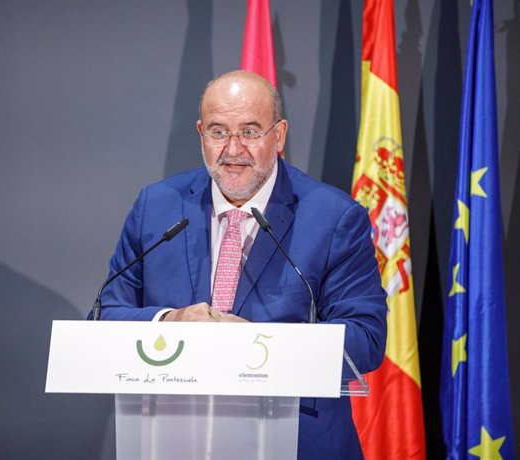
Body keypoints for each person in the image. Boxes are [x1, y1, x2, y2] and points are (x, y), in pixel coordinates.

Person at [96, 70, 387, 458]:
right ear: (201, 133)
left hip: (295, 442)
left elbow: (365, 339)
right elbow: (103, 318)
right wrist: (171, 321)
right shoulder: (156, 207)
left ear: (279, 135)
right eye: (218, 132)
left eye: (250, 132)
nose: (233, 149)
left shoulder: (334, 217)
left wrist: (257, 342)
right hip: (175, 440)